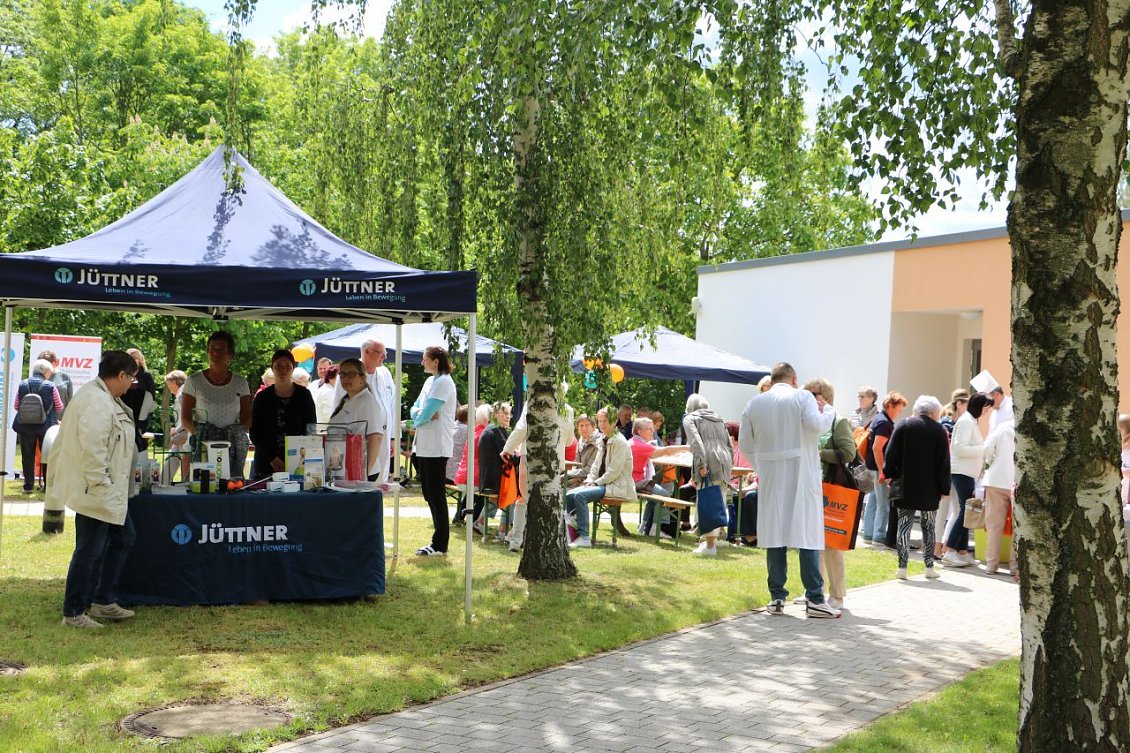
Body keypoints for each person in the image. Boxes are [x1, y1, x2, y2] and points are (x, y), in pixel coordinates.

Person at [739, 362, 839, 618]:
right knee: (807, 533)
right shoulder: (802, 396)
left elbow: (746, 444)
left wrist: (761, 465)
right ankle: (815, 597)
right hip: (800, 472)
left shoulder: (755, 404)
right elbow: (818, 425)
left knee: (775, 534)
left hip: (772, 475)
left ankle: (776, 598)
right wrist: (827, 409)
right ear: (794, 379)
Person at [53, 351, 139, 628]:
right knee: (89, 550)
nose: (131, 386)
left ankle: (103, 601)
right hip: (97, 491)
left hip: (105, 491)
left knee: (124, 538)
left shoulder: (102, 397)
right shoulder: (97, 402)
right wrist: (101, 484)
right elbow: (93, 449)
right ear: (121, 375)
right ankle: (74, 612)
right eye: (131, 379)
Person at [883, 395, 949, 580]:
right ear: (934, 412)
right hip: (930, 488)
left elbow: (890, 453)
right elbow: (944, 462)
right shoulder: (939, 430)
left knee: (904, 525)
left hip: (905, 485)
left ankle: (902, 567)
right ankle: (929, 566)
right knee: (929, 526)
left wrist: (890, 474)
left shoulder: (903, 425)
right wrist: (944, 488)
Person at [806, 378, 859, 608]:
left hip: (830, 488)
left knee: (832, 545)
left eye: (811, 394)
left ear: (823, 397)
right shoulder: (810, 420)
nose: (806, 398)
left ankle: (837, 594)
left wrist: (819, 453)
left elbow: (849, 452)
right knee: (812, 542)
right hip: (810, 487)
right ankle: (814, 591)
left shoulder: (838, 422)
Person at [501, 400, 575, 552]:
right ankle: (554, 542)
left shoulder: (532, 403)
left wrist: (507, 449)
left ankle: (516, 541)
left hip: (530, 456)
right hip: (554, 459)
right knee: (550, 499)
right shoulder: (567, 409)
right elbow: (569, 441)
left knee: (524, 499)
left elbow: (522, 429)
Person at [181, 331, 252, 478]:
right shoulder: (194, 381)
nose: (215, 353)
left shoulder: (240, 382)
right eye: (212, 349)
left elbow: (247, 419)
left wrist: (232, 434)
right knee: (202, 486)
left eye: (221, 350)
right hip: (202, 445)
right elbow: (185, 419)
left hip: (232, 446)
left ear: (230, 355)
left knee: (230, 486)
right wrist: (203, 435)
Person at [564, 407, 635, 549]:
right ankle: (574, 530)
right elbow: (595, 467)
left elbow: (614, 472)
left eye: (605, 421)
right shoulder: (603, 438)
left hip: (615, 485)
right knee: (568, 494)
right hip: (601, 483)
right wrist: (590, 480)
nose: (602, 424)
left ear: (615, 421)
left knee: (579, 496)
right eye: (600, 421)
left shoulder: (619, 442)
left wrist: (595, 482)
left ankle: (584, 537)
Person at [410, 346, 457, 556]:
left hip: (437, 446)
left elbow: (422, 416)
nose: (422, 363)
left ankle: (440, 543)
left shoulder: (444, 382)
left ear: (435, 361)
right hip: (425, 445)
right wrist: (421, 414)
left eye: (424, 359)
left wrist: (421, 415)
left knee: (436, 495)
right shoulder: (430, 382)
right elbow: (416, 409)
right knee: (429, 494)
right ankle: (438, 541)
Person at [249, 349, 318, 479]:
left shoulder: (304, 395)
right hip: (266, 461)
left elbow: (310, 428)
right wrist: (272, 458)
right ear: (272, 368)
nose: (283, 370)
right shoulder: (262, 397)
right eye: (278, 366)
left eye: (287, 366)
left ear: (293, 369)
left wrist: (299, 456)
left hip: (297, 461)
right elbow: (254, 432)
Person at [943, 392, 992, 566]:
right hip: (961, 472)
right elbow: (958, 449)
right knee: (966, 510)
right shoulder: (966, 421)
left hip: (966, 472)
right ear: (981, 406)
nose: (987, 412)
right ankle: (949, 550)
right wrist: (983, 448)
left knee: (967, 510)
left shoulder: (970, 421)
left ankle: (962, 551)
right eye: (987, 408)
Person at [681, 394, 733, 557]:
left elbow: (695, 443)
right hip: (724, 461)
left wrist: (701, 465)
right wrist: (729, 464)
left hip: (709, 460)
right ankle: (710, 542)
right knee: (718, 501)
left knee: (709, 502)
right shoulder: (718, 418)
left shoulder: (690, 419)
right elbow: (729, 444)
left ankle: (710, 547)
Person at [327, 357, 387, 481]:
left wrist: (363, 474)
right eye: (342, 374)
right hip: (343, 469)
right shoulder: (347, 401)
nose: (346, 378)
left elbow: (375, 438)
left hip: (359, 473)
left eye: (351, 374)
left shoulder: (367, 401)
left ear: (362, 377)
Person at [860, 391, 907, 544]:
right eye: (898, 408)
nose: (899, 412)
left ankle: (868, 533)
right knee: (883, 504)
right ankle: (878, 536)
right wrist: (882, 471)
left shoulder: (878, 419)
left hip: (871, 466)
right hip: (877, 468)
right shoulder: (885, 423)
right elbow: (877, 448)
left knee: (873, 500)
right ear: (890, 406)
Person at [13, 358, 64, 492]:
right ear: (45, 371)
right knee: (47, 456)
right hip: (45, 427)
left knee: (27, 456)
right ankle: (47, 486)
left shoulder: (23, 384)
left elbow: (16, 406)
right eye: (50, 372)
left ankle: (28, 486)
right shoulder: (50, 386)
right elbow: (59, 406)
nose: (50, 374)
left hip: (25, 426)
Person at [982, 405, 1017, 576]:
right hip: (1017, 482)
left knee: (994, 525)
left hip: (996, 479)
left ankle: (991, 564)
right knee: (1018, 526)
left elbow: (987, 448)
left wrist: (992, 462)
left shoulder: (1002, 427)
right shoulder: (1029, 430)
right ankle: (1014, 566)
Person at [934, 389, 970, 559]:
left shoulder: (958, 423)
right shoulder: (947, 424)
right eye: (966, 404)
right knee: (943, 511)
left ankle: (946, 546)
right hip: (945, 471)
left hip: (953, 471)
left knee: (955, 511)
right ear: (959, 404)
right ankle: (937, 547)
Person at [476, 402, 513, 541]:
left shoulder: (494, 429)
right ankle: (504, 529)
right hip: (493, 480)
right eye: (504, 413)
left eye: (509, 414)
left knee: (512, 487)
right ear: (495, 415)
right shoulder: (496, 430)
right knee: (516, 492)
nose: (508, 417)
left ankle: (480, 522)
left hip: (488, 478)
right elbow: (508, 455)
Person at [121, 348, 158, 451]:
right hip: (124, 412)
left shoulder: (145, 375)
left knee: (138, 442)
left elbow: (151, 396)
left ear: (139, 360)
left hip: (140, 415)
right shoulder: (123, 374)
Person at [164, 370, 190, 481]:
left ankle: (163, 482)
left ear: (174, 381)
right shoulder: (184, 392)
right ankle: (163, 481)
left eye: (169, 384)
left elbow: (188, 416)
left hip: (186, 435)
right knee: (173, 456)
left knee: (182, 459)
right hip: (183, 433)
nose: (168, 387)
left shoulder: (181, 395)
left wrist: (176, 430)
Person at [566, 413, 603, 490]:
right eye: (581, 425)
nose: (584, 428)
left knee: (567, 493)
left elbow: (590, 470)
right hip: (580, 477)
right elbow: (576, 465)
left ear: (593, 426)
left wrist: (567, 475)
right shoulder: (581, 440)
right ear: (578, 428)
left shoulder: (598, 442)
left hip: (594, 480)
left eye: (587, 425)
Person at [37, 350, 73, 416]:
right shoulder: (37, 378)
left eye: (46, 365)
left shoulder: (65, 377)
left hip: (61, 422)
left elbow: (71, 401)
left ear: (54, 363)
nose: (43, 368)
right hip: (42, 421)